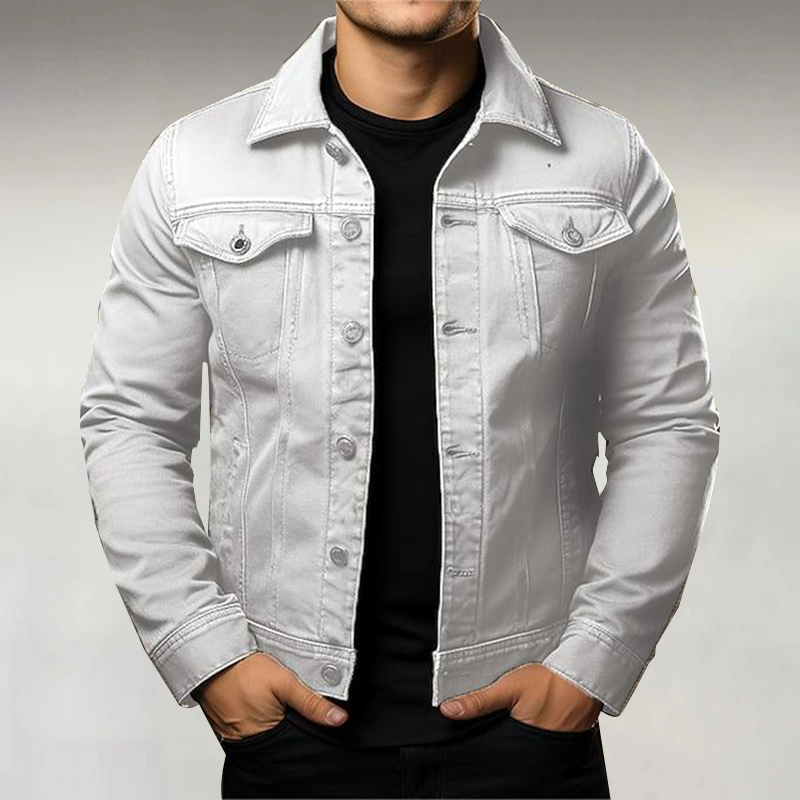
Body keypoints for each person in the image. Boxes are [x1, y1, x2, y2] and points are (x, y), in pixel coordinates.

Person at [78, 2, 721, 797]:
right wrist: (208, 656)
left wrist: (590, 665)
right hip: (290, 734)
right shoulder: (195, 166)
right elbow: (131, 422)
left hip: (529, 736)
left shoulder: (607, 162)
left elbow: (667, 423)